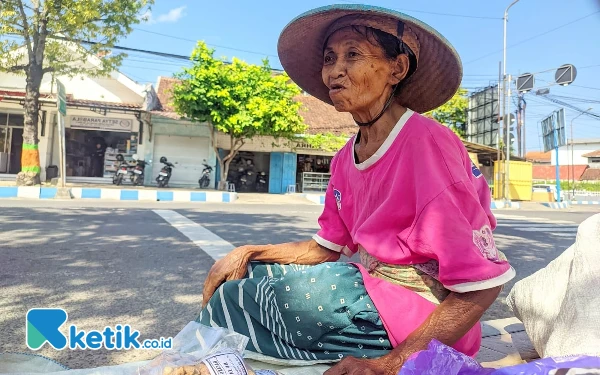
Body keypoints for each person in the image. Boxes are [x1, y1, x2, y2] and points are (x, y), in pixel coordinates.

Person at [198, 5, 515, 374]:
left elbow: (481, 285)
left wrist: (392, 363)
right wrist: (248, 252)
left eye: (353, 55)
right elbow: (325, 248)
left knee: (251, 298)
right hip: (369, 296)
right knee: (243, 279)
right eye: (330, 58)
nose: (336, 70)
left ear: (396, 69)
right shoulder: (344, 159)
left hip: (427, 320)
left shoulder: (427, 143)